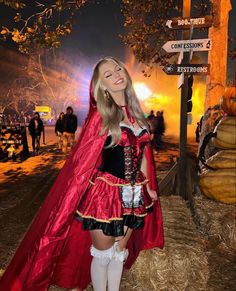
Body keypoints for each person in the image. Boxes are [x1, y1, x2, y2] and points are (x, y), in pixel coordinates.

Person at [0, 57, 164, 291]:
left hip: (133, 194)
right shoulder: (102, 117)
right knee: (103, 255)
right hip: (105, 195)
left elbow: (145, 153)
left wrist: (147, 186)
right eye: (108, 74)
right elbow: (83, 161)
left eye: (118, 68)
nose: (117, 73)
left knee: (120, 252)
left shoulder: (137, 115)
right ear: (102, 87)